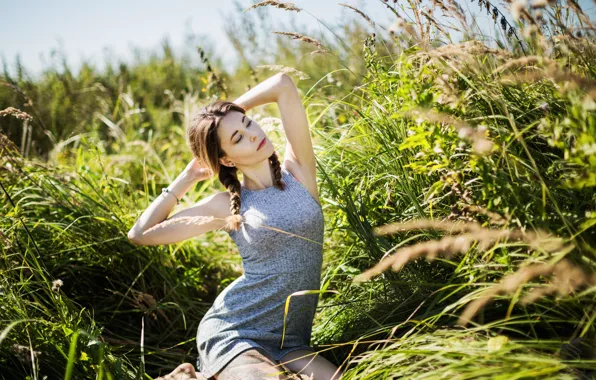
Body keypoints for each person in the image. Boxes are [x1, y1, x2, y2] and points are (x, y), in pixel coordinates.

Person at [128, 73, 343, 380]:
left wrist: (226, 114)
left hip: (290, 342)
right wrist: (187, 177)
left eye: (248, 123)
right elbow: (139, 234)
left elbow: (283, 84)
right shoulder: (226, 207)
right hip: (235, 332)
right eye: (238, 138)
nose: (253, 134)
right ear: (226, 160)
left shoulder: (300, 173)